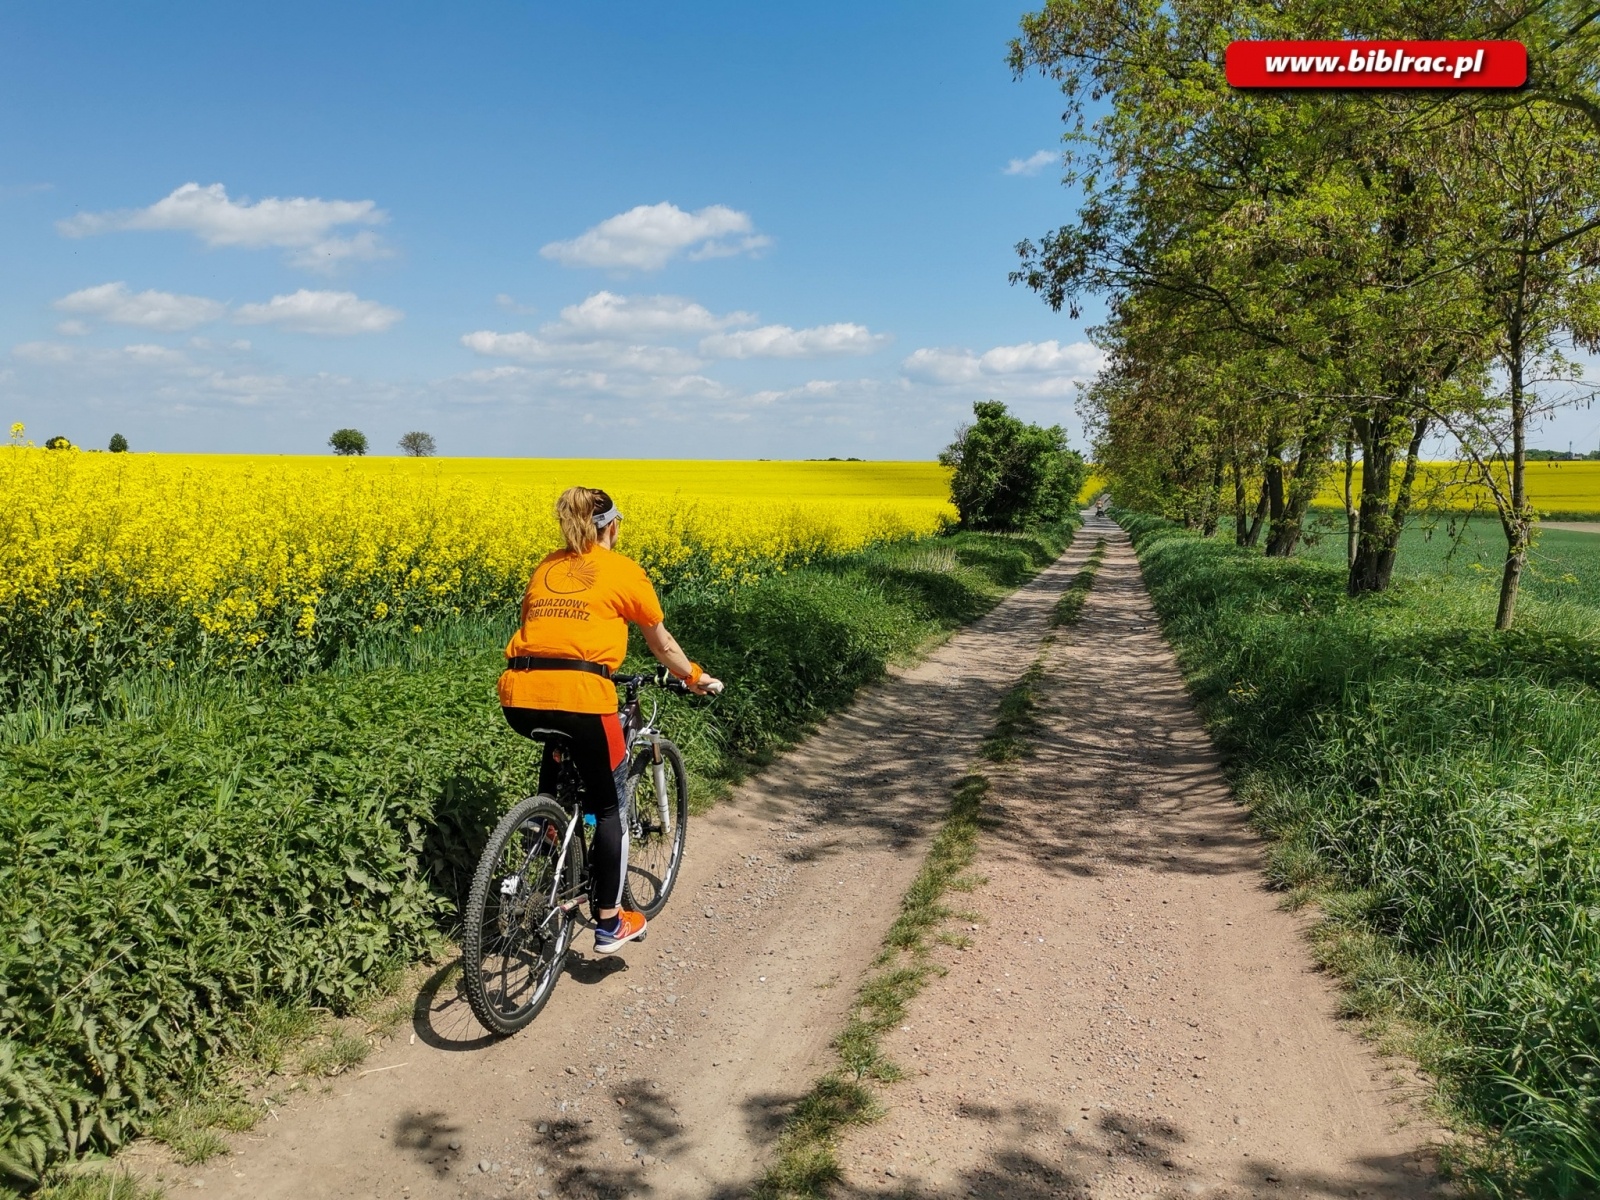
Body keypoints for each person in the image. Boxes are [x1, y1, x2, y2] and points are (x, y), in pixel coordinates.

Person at [498, 487, 722, 954]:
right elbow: (661, 645)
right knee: (609, 809)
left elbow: (542, 631)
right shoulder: (623, 570)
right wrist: (695, 677)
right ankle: (608, 922)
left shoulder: (547, 565)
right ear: (613, 526)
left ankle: (547, 832)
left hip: (519, 696)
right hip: (581, 696)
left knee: (560, 770)